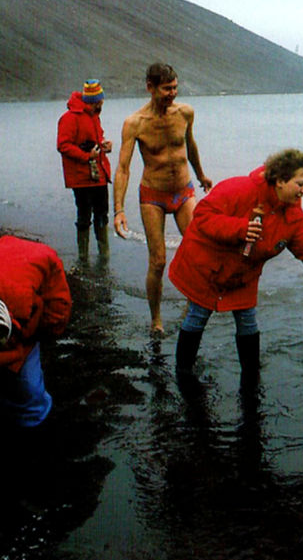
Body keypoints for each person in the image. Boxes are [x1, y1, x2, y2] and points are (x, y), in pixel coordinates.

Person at [167, 148, 303, 387]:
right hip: (206, 266)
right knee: (197, 315)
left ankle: (251, 378)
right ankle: (183, 375)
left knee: (247, 321)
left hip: (242, 275)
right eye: (301, 183)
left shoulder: (292, 216)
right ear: (280, 180)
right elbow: (201, 216)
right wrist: (239, 228)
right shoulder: (239, 189)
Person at [113, 63, 212, 335]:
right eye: (166, 89)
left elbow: (189, 146)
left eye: (175, 88)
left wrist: (201, 175)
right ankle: (156, 319)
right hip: (153, 196)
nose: (172, 94)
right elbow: (123, 168)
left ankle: (192, 302)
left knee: (196, 251)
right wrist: (118, 209)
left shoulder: (185, 113)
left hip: (183, 191)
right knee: (157, 260)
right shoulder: (135, 123)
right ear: (150, 87)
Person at [0, 236, 73, 428]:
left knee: (28, 390)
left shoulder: (24, 305)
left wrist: (47, 332)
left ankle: (34, 420)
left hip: (21, 324)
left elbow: (58, 310)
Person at [57, 79, 113, 262]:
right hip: (81, 177)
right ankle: (83, 257)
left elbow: (98, 136)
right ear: (94, 100)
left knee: (102, 213)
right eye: (101, 100)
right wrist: (86, 155)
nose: (103, 103)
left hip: (99, 175)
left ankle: (104, 256)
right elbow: (63, 145)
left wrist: (104, 145)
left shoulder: (94, 115)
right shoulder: (69, 118)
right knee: (84, 215)